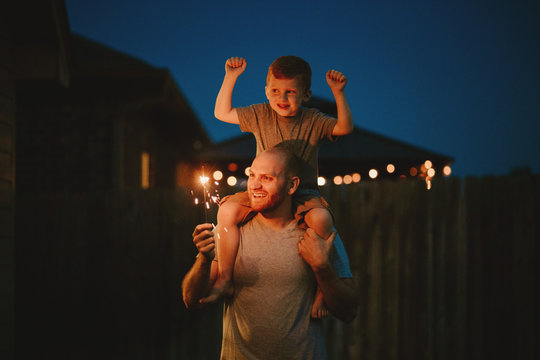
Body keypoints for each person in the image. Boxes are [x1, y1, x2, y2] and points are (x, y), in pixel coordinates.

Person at [210, 55, 354, 318]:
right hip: (262, 190)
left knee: (321, 219)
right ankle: (225, 277)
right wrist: (231, 77)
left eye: (290, 92)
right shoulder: (260, 114)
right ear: (266, 91)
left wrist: (338, 93)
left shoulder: (313, 119)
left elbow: (344, 127)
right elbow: (221, 113)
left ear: (306, 94)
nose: (282, 98)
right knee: (226, 213)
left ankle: (322, 289)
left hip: (305, 192)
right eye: (275, 91)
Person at [182, 147, 358, 359]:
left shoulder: (317, 234)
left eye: (267, 178)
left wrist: (323, 268)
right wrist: (203, 260)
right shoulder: (230, 231)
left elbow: (349, 312)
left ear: (292, 185)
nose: (254, 185)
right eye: (252, 175)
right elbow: (191, 300)